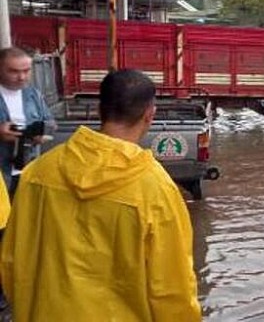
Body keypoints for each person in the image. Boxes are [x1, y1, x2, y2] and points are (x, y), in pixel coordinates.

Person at [0, 69, 201, 322]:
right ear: (150, 115)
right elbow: (173, 290)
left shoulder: (38, 174)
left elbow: (11, 261)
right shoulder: (156, 190)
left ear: (98, 110)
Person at [0, 47, 53, 191]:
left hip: (28, 170)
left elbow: (51, 122)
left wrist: (41, 134)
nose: (22, 77)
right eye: (14, 71)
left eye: (26, 71)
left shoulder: (33, 94)